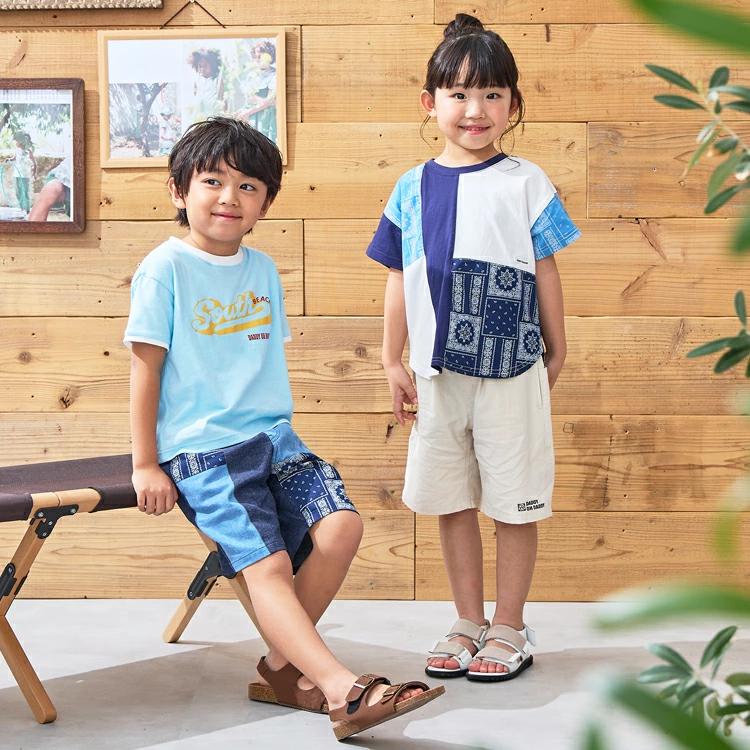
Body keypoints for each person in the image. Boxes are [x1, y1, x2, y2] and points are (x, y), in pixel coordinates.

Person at [124, 117, 444, 740]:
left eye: (248, 187)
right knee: (267, 566)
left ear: (265, 203)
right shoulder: (165, 268)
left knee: (342, 526)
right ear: (178, 190)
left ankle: (279, 666)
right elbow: (145, 371)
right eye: (212, 181)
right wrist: (145, 464)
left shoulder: (263, 268)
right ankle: (341, 690)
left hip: (274, 440)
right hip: (206, 454)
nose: (229, 197)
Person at [366, 14, 580, 683]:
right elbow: (399, 275)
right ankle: (467, 620)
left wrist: (557, 348)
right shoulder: (410, 187)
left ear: (513, 104)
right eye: (458, 94)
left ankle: (509, 625)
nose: (475, 109)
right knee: (451, 497)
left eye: (491, 94)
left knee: (514, 498)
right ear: (429, 103)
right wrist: (392, 359)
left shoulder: (526, 180)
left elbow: (545, 268)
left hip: (511, 367)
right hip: (436, 372)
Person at [12, 132, 36, 216]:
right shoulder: (17, 150)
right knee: (18, 192)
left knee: (25, 192)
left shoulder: (28, 151)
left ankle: (27, 209)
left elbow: (34, 163)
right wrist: (10, 159)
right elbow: (14, 158)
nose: (16, 142)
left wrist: (34, 172)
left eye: (17, 141)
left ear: (21, 141)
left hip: (25, 175)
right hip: (16, 174)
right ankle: (22, 208)